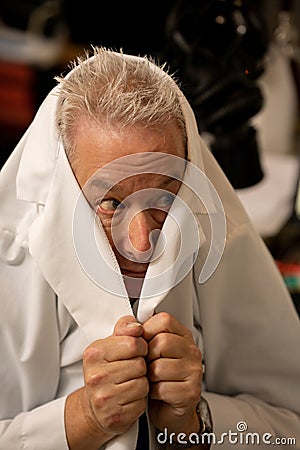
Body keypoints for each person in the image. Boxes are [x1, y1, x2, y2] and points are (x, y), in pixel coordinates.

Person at [0, 46, 299, 450]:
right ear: (62, 189)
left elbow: (290, 430)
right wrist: (81, 419)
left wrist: (195, 424)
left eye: (163, 201)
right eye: (109, 203)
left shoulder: (220, 240)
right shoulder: (9, 255)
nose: (141, 242)